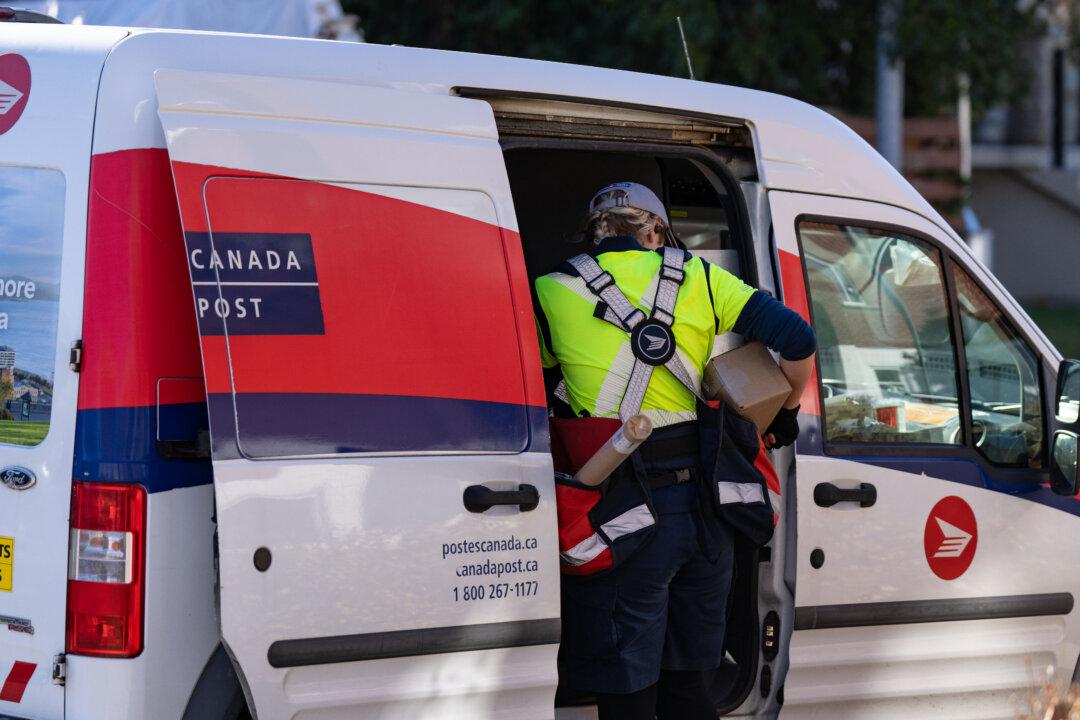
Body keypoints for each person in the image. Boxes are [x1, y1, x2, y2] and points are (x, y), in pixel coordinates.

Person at [534, 181, 816, 720]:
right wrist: (784, 413)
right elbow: (798, 339)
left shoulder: (548, 290)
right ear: (656, 230)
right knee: (691, 689)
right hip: (708, 512)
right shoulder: (702, 277)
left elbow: (541, 384)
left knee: (628, 693)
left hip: (621, 509)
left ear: (597, 231)